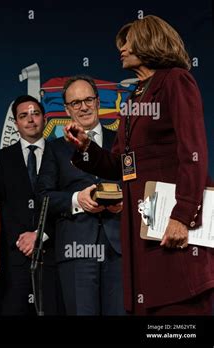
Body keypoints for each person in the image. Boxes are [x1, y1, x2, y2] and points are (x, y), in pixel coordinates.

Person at [64, 15, 214, 315]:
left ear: (149, 41)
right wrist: (86, 149)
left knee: (179, 315)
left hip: (173, 228)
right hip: (143, 233)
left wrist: (183, 215)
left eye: (127, 42)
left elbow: (193, 151)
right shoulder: (133, 98)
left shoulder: (176, 80)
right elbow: (122, 164)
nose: (120, 49)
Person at [37, 77, 125, 315]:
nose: (83, 107)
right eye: (75, 103)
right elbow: (42, 197)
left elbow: (137, 186)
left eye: (88, 100)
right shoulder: (55, 149)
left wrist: (124, 204)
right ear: (66, 109)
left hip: (118, 249)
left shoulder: (121, 141)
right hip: (76, 249)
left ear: (98, 102)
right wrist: (77, 200)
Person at [0, 95, 63, 315]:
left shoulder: (62, 154)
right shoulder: (0, 159)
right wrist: (22, 239)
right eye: (23, 116)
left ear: (44, 118)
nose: (30, 120)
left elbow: (65, 203)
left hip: (54, 255)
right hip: (15, 257)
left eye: (35, 114)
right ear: (15, 123)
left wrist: (40, 235)